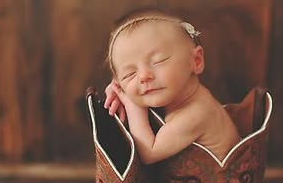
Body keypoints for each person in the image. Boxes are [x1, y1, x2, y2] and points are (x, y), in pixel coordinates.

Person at [103, 9, 240, 164]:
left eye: (158, 61)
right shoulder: (174, 98)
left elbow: (149, 152)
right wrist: (121, 90)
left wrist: (132, 104)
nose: (143, 76)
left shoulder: (197, 112)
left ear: (196, 61)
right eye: (129, 74)